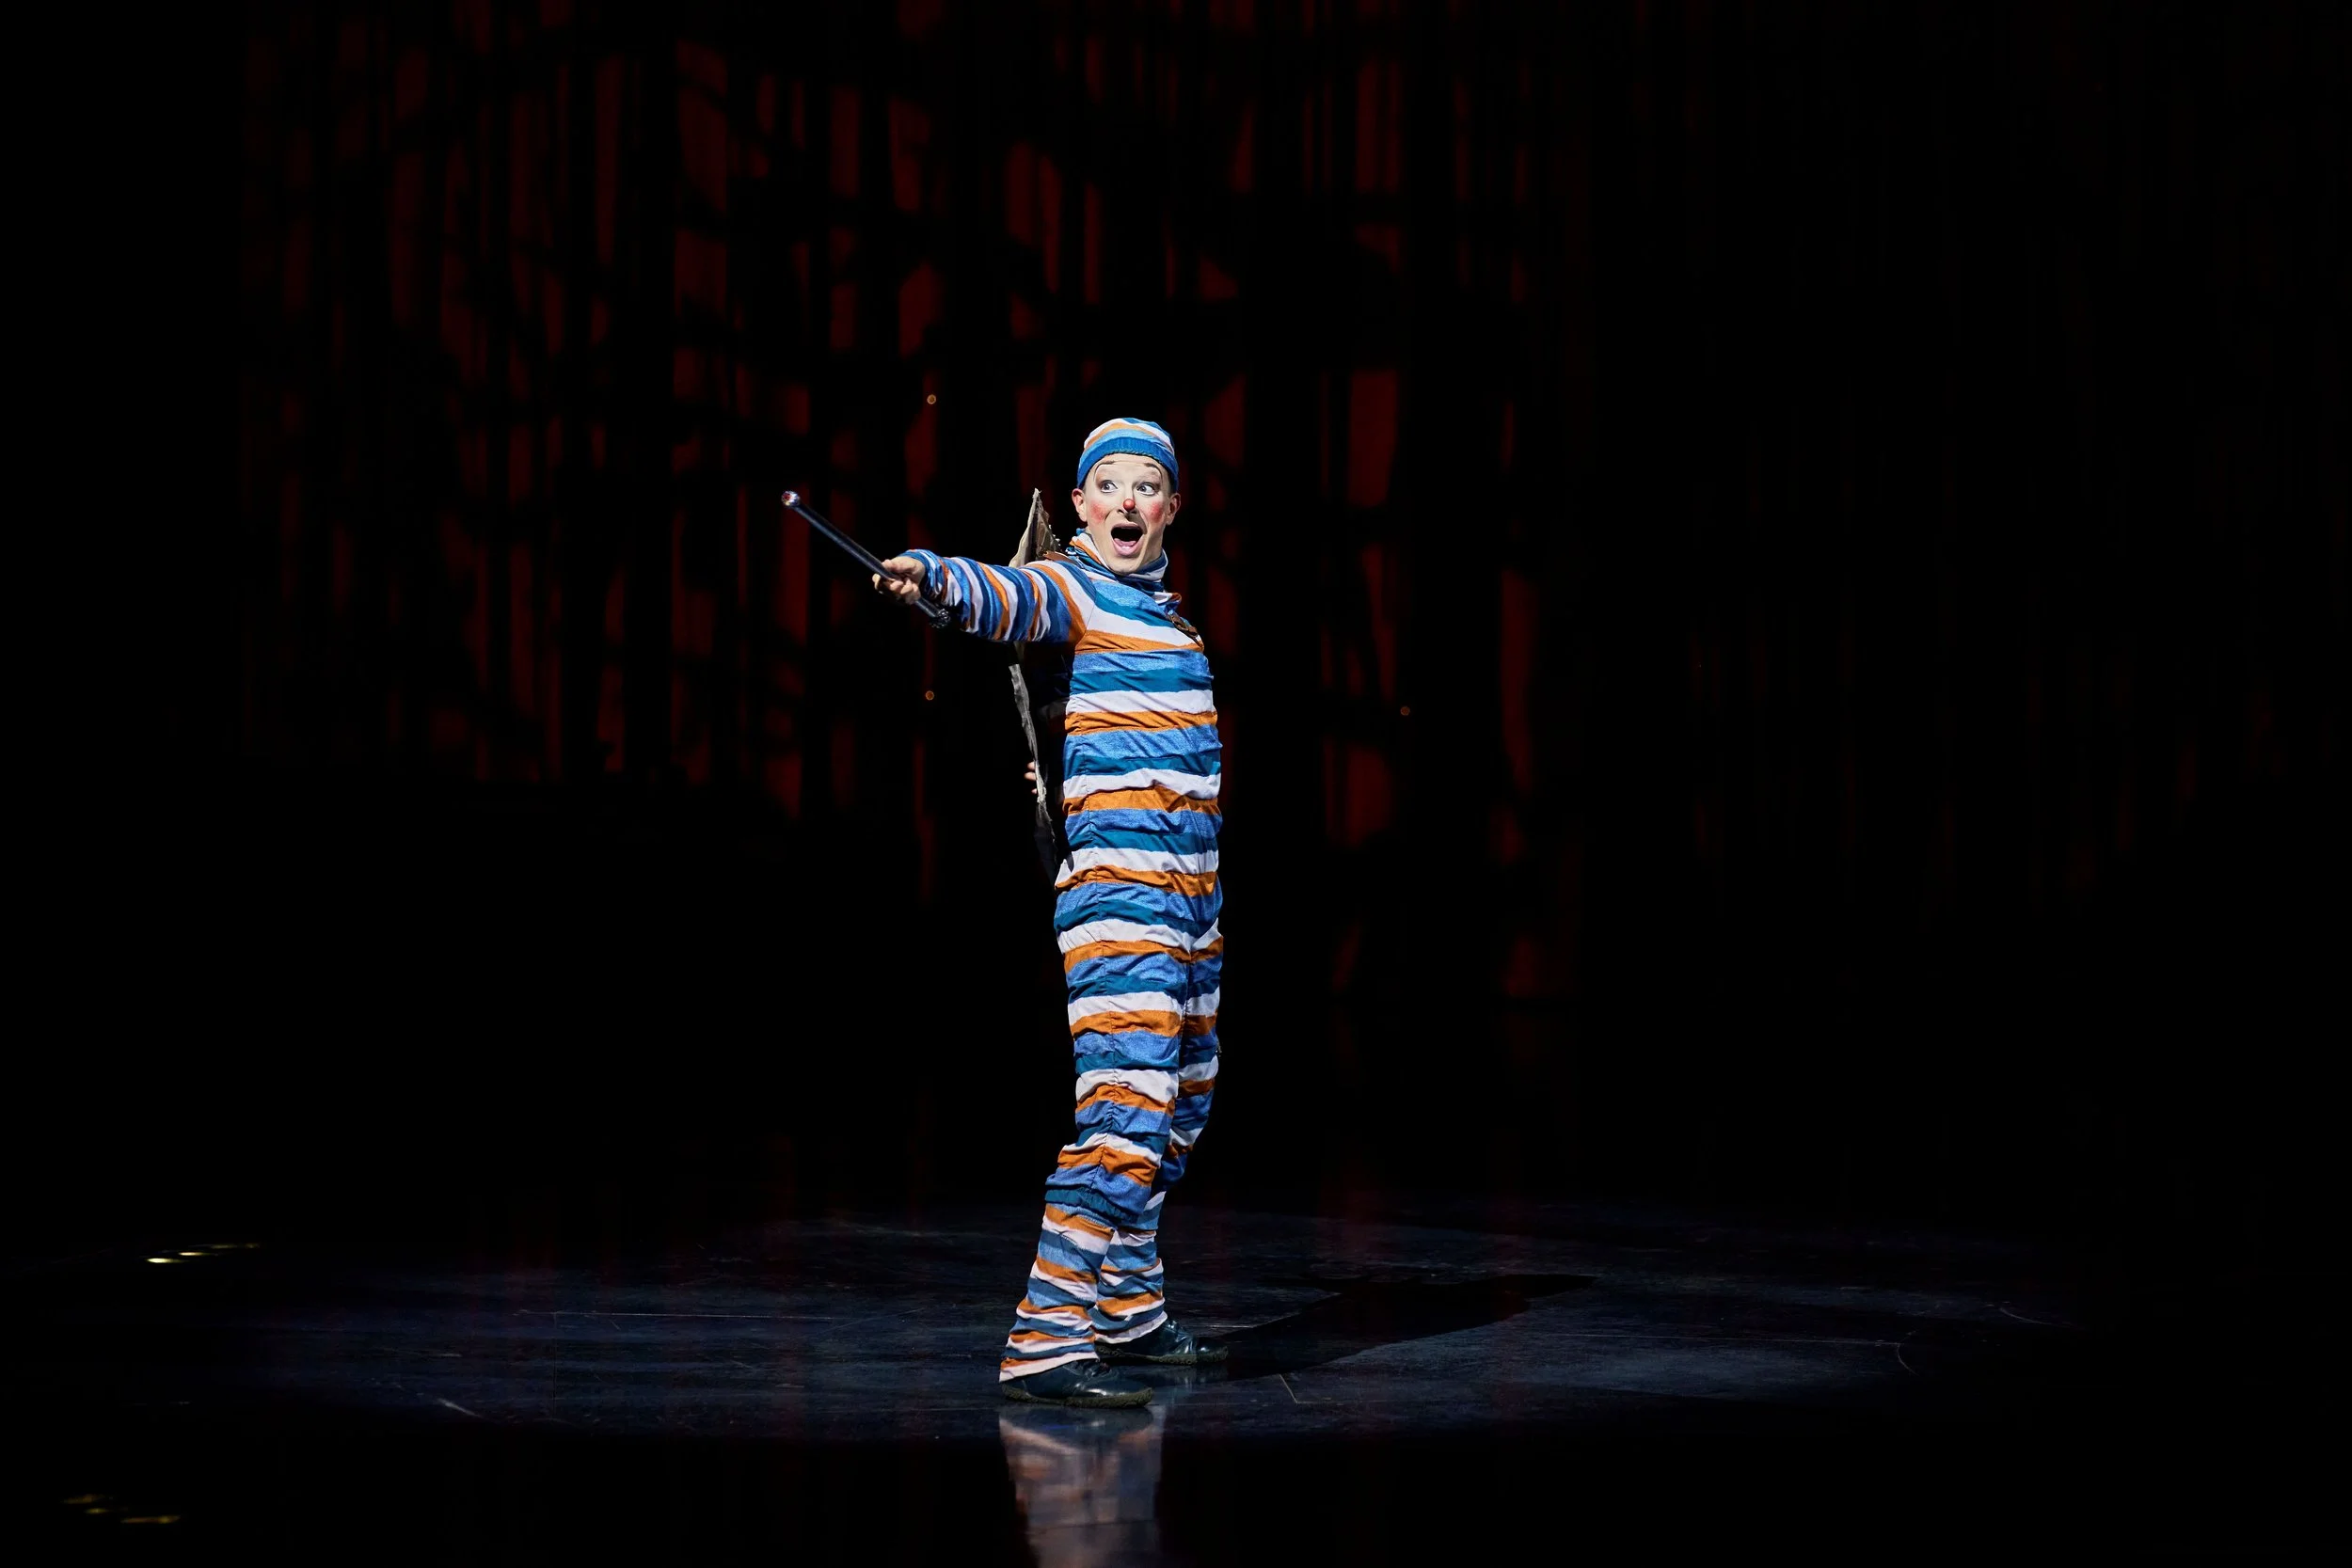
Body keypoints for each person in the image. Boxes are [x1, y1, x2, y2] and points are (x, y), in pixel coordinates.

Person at [874, 418, 1227, 1408]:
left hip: (1192, 902)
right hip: (1121, 897)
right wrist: (934, 577)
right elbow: (1010, 594)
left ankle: (1127, 1307)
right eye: (1107, 485)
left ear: (1170, 507)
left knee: (1181, 1106)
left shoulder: (1171, 621)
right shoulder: (1078, 587)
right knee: (1125, 1114)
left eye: (1144, 486)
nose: (1125, 501)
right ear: (1079, 506)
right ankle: (1045, 1335)